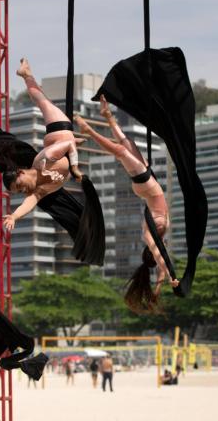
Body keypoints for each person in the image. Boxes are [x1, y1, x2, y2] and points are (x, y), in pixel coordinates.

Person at [75, 97, 179, 313]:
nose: (164, 247)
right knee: (126, 143)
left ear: (149, 251)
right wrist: (157, 291)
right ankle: (107, 115)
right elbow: (159, 270)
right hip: (147, 184)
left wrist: (172, 276)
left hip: (148, 187)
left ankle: (89, 131)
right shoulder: (157, 239)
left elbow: (161, 260)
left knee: (121, 151)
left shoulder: (149, 237)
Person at [1, 58, 85, 232]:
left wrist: (75, 168)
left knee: (42, 100)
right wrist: (14, 216)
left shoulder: (42, 162)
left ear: (21, 172)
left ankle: (26, 75)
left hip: (60, 127)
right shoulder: (39, 190)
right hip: (60, 143)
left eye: (18, 185)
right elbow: (28, 204)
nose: (22, 190)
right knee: (41, 99)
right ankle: (27, 74)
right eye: (18, 191)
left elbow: (68, 144)